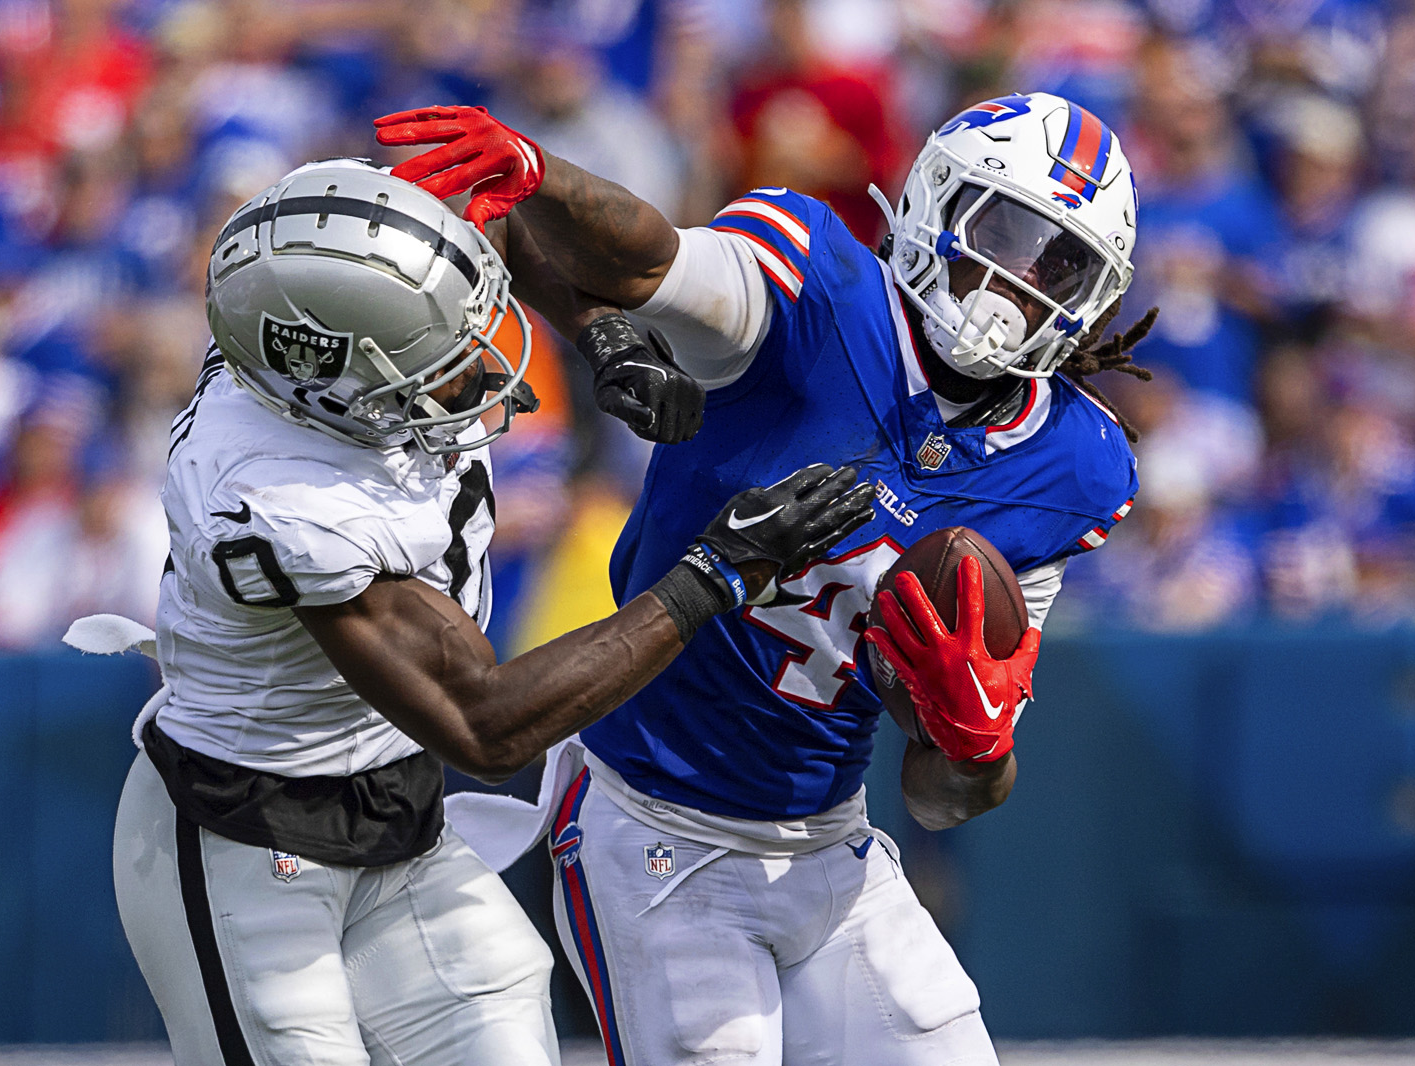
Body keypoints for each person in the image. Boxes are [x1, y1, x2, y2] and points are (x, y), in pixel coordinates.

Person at [375, 92, 1154, 1064]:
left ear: (1095, 293)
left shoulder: (1070, 466)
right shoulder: (818, 286)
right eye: (1002, 231)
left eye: (1057, 263)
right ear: (936, 201)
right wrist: (541, 171)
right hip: (651, 820)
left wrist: (973, 736)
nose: (1011, 280)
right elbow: (649, 259)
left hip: (829, 847)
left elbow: (941, 793)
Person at [107, 157, 875, 1066]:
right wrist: (716, 571)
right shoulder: (282, 497)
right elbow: (486, 724)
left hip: (398, 814)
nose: (484, 369)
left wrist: (601, 336)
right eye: (440, 362)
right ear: (333, 389)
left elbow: (493, 219)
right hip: (247, 834)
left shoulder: (320, 320)